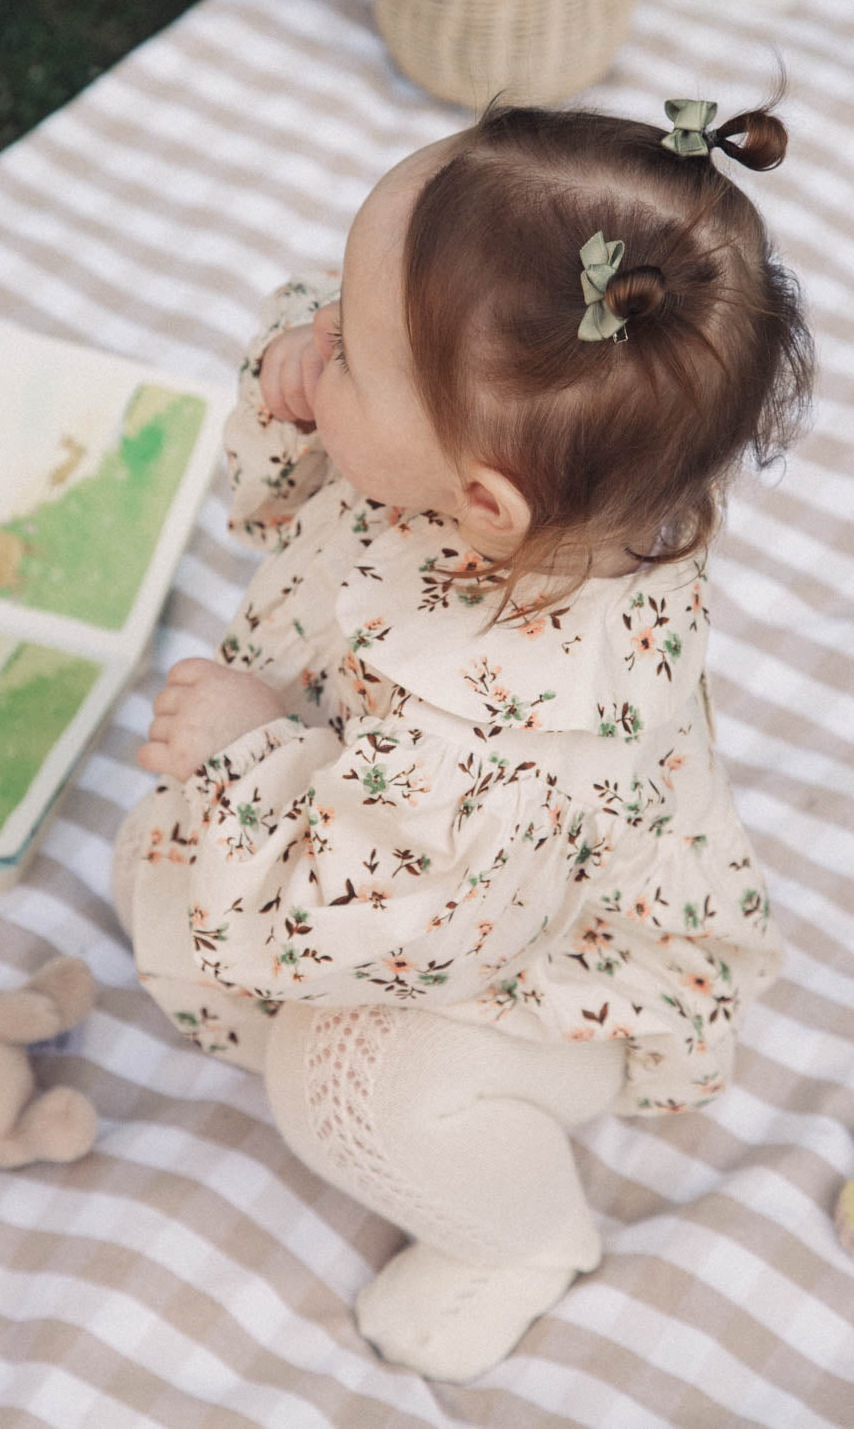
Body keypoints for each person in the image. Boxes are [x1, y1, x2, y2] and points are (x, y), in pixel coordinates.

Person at [112, 97, 814, 1382]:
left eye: (352, 355)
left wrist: (250, 756)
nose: (315, 335)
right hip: (390, 839)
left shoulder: (495, 739)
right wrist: (303, 393)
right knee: (161, 874)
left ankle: (523, 1240)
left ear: (480, 499)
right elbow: (291, 506)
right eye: (336, 302)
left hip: (511, 949)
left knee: (348, 1081)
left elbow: (392, 924)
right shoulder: (579, 474)